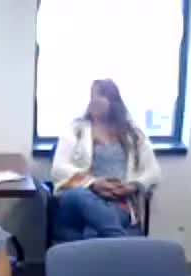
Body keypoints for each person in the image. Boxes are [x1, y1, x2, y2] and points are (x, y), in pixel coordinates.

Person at [50, 79, 161, 243]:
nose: (94, 100)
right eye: (92, 96)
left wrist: (132, 186)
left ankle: (107, 246)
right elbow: (58, 168)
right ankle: (124, 243)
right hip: (80, 197)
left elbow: (153, 171)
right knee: (81, 196)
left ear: (114, 101)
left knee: (93, 230)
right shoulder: (76, 129)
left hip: (117, 201)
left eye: (100, 95)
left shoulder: (133, 134)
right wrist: (93, 183)